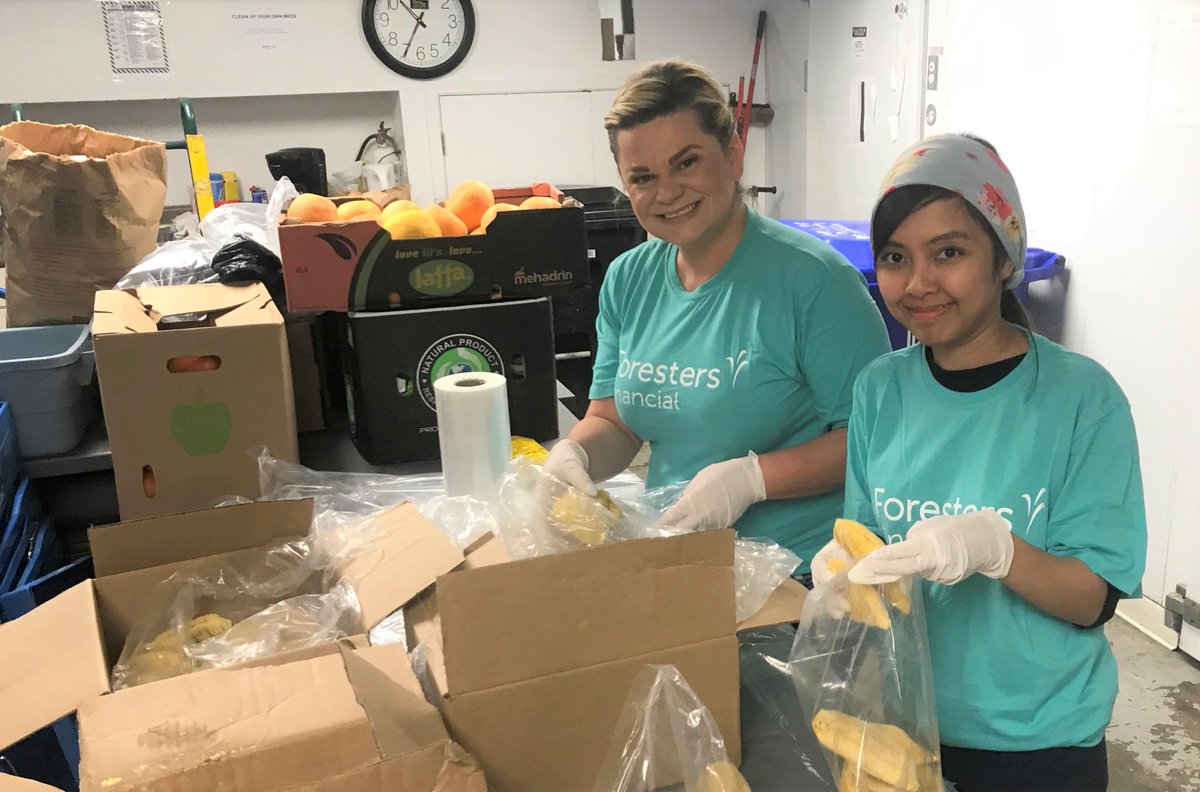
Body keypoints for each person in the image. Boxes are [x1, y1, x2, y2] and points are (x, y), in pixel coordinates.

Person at [815, 133, 1147, 791]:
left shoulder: (1081, 399)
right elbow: (869, 542)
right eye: (895, 257)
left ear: (1003, 258)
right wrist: (843, 573)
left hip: (1036, 743)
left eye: (949, 252)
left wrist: (999, 550)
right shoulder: (881, 389)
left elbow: (1093, 600)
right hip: (904, 721)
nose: (918, 283)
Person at [542, 59, 890, 576]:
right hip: (679, 561)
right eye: (643, 177)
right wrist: (575, 457)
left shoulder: (816, 282)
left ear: (733, 154)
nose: (667, 192)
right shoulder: (627, 279)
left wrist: (754, 479)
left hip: (798, 576)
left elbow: (873, 441)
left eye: (686, 163)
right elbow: (614, 420)